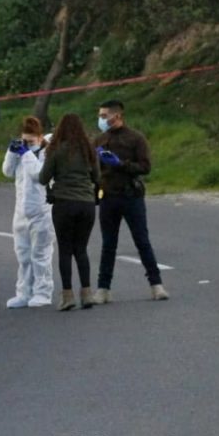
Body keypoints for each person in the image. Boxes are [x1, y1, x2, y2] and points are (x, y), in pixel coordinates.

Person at [92, 99, 169, 304]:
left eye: (104, 116)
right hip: (108, 196)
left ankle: (156, 284)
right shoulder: (99, 140)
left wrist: (120, 164)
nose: (101, 119)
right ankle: (103, 288)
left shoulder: (136, 138)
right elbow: (93, 169)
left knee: (142, 241)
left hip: (130, 195)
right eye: (100, 116)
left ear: (117, 116)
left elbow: (145, 166)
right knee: (108, 244)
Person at [39, 113, 100, 311]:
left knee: (65, 250)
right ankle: (87, 293)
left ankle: (67, 295)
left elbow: (43, 178)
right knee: (81, 249)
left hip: (64, 202)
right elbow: (97, 177)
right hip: (86, 204)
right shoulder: (88, 149)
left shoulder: (55, 149)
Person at [2, 116, 54, 309]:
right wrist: (11, 152)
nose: (28, 145)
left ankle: (43, 292)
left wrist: (26, 154)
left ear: (40, 138)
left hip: (41, 211)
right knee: (23, 256)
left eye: (31, 141)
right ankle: (24, 292)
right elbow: (7, 171)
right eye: (25, 141)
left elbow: (38, 175)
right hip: (21, 212)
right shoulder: (22, 154)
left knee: (40, 255)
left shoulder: (46, 153)